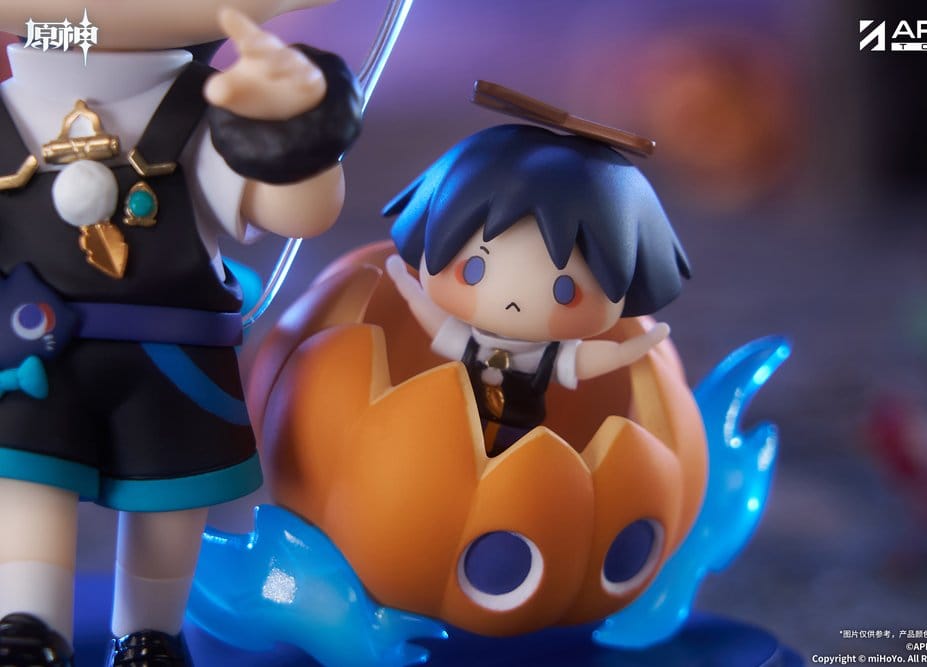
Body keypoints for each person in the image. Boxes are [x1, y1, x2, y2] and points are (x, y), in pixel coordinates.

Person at [0, 3, 361, 665]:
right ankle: (26, 623)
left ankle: (149, 632)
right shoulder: (11, 104)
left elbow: (299, 213)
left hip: (172, 359)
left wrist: (297, 132)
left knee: (169, 501)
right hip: (29, 359)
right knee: (25, 484)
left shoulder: (211, 113)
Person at [384, 123, 690, 455]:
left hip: (520, 441)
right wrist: (406, 285)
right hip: (455, 428)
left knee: (515, 464)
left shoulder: (545, 358)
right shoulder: (472, 344)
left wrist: (632, 350)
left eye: (565, 291)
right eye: (473, 270)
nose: (512, 302)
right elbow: (433, 320)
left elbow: (590, 359)